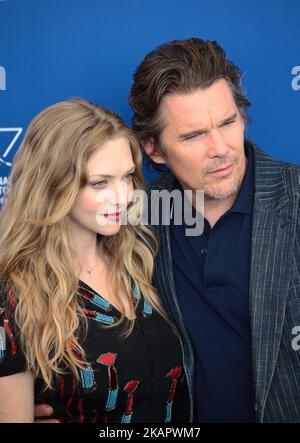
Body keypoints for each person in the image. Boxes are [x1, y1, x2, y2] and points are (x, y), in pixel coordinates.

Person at [128, 38, 300, 423]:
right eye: (193, 136)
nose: (221, 148)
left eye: (227, 123)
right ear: (154, 149)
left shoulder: (296, 198)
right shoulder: (136, 217)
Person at [0, 98, 189, 423]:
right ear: (53, 186)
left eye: (127, 177)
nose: (122, 196)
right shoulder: (14, 296)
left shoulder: (144, 258)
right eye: (100, 182)